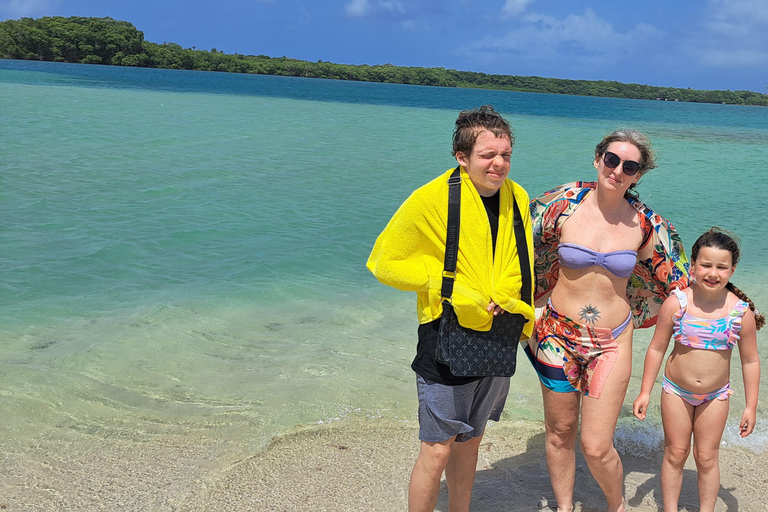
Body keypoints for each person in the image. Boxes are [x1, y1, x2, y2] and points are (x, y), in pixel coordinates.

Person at [366, 105, 535, 512]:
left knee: (471, 441)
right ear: (462, 157)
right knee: (437, 449)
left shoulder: (519, 197)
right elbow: (383, 262)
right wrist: (450, 287)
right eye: (488, 155)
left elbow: (522, 262)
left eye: (506, 154)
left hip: (500, 330)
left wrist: (520, 308)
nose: (499, 163)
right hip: (446, 331)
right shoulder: (430, 199)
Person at [525, 129, 689, 512]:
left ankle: (616, 506)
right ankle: (564, 507)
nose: (617, 170)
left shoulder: (646, 225)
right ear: (598, 159)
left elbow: (680, 278)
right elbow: (512, 238)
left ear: (638, 175)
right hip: (555, 336)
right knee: (560, 432)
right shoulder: (562, 205)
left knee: (596, 445)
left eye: (629, 166)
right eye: (612, 160)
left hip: (611, 342)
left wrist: (728, 312)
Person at [632, 227, 763, 512]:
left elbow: (751, 361)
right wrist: (644, 391)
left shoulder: (740, 313)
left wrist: (751, 406)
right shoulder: (676, 304)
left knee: (706, 456)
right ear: (692, 266)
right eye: (705, 265)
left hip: (715, 396)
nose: (712, 273)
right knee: (676, 453)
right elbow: (656, 348)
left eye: (721, 267)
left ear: (732, 270)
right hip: (675, 392)